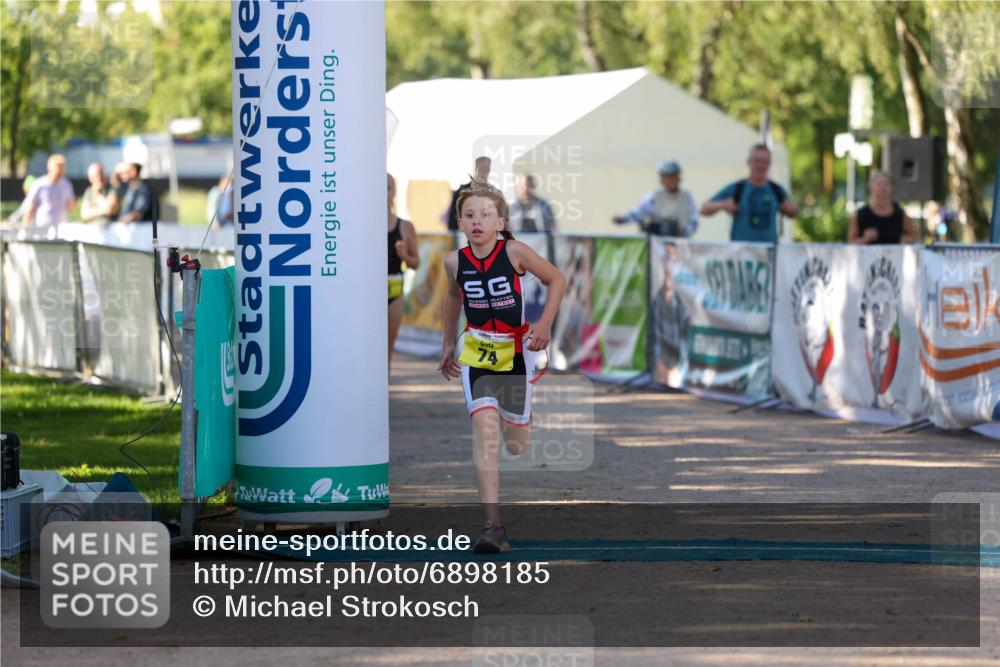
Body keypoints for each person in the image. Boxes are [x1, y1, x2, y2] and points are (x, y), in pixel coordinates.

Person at [438, 181, 565, 553]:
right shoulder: (452, 262)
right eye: (471, 215)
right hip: (476, 354)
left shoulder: (514, 252)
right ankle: (493, 526)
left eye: (486, 215)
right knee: (485, 431)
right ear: (460, 222)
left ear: (501, 221)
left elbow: (557, 278)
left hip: (514, 353)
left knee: (516, 445)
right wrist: (448, 343)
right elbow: (451, 295)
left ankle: (524, 415)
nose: (478, 221)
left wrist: (544, 324)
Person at [700, 144, 798, 242]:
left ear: (770, 164)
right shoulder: (737, 188)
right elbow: (704, 209)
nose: (760, 165)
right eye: (756, 161)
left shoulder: (777, 190)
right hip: (742, 253)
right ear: (748, 162)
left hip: (769, 252)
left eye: (764, 162)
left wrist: (791, 209)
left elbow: (794, 212)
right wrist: (722, 205)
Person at [387, 174, 420, 374]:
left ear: (394, 191)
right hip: (366, 293)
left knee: (387, 350)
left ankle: (383, 397)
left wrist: (404, 255)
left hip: (393, 292)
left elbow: (415, 264)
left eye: (387, 188)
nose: (383, 193)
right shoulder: (361, 225)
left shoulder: (405, 227)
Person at [613, 160, 698, 237]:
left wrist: (683, 229)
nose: (670, 180)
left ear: (678, 177)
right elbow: (638, 212)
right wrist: (623, 219)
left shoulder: (686, 197)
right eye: (666, 177)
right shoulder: (654, 196)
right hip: (657, 243)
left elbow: (693, 223)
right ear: (662, 179)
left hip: (679, 242)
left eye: (673, 176)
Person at [848, 171, 917, 244]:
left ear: (891, 187)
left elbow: (913, 237)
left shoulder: (900, 213)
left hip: (894, 254)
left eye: (886, 184)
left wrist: (905, 238)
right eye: (879, 184)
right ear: (871, 187)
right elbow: (851, 243)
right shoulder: (859, 215)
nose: (882, 187)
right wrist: (865, 239)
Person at [22, 154, 75, 226]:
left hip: (61, 227)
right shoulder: (39, 184)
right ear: (50, 167)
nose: (60, 171)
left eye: (62, 168)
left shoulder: (66, 184)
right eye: (58, 167)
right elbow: (31, 207)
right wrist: (25, 227)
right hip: (43, 227)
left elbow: (70, 205)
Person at [446, 156, 491, 231]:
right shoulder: (461, 192)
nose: (484, 173)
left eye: (487, 169)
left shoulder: (493, 194)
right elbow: (453, 221)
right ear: (476, 168)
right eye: (482, 169)